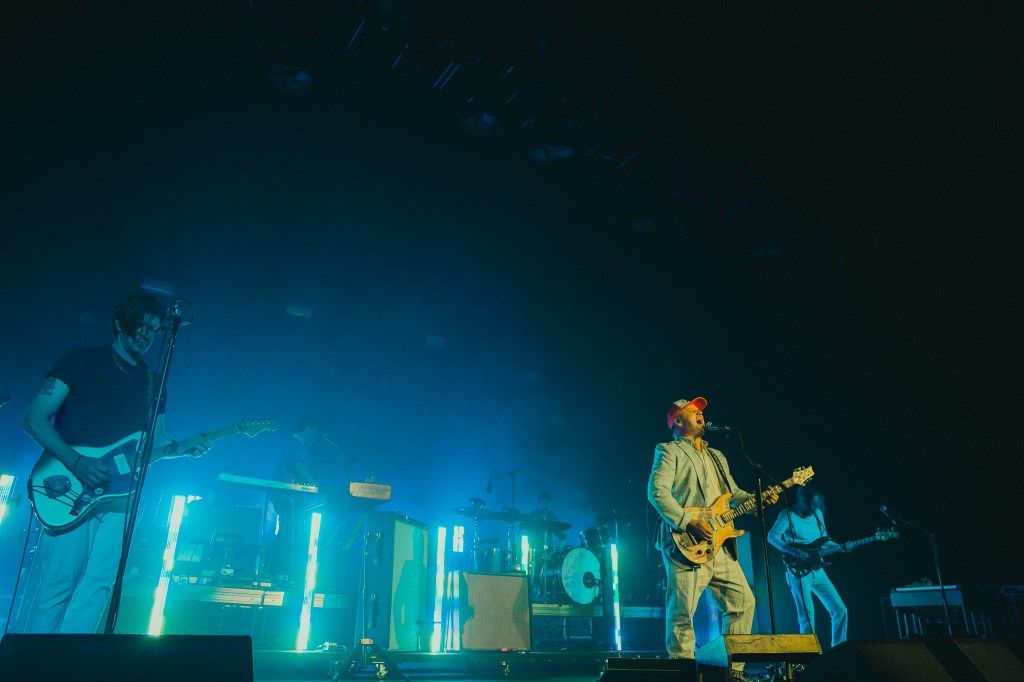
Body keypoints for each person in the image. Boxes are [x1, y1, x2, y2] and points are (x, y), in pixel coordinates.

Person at [22, 293, 211, 633]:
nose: (146, 334)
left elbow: (156, 443)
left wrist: (185, 448)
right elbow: (34, 418)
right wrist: (76, 462)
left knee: (99, 585)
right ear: (120, 323)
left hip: (121, 496)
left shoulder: (154, 381)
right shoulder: (79, 361)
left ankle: (71, 658)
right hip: (69, 485)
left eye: (153, 329)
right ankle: (34, 658)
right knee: (59, 583)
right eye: (140, 325)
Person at [647, 396, 778, 679]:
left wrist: (757, 499)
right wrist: (687, 522)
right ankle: (683, 673)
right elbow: (657, 492)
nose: (700, 415)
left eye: (701, 411)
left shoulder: (717, 455)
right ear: (678, 420)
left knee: (743, 602)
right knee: (682, 612)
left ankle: (733, 672)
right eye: (693, 411)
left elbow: (733, 495)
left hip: (719, 544)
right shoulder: (668, 450)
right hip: (686, 543)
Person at [767, 486, 849, 647]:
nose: (812, 508)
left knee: (840, 610)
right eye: (809, 505)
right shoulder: (788, 515)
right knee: (807, 615)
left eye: (815, 505)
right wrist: (790, 549)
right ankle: (810, 653)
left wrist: (840, 547)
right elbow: (772, 536)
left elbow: (824, 540)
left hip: (818, 570)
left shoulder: (818, 514)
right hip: (798, 571)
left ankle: (839, 648)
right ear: (801, 501)